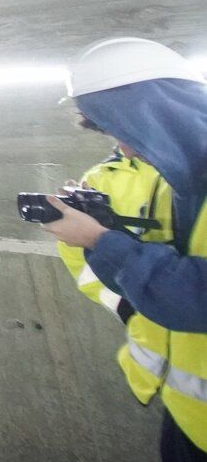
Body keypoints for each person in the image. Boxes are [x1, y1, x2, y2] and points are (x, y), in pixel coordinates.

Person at [37, 37, 207, 462]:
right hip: (188, 416)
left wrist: (100, 241)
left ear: (157, 112)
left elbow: (198, 296)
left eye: (124, 130)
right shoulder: (185, 180)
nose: (125, 148)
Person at [54, 136, 171, 415]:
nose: (124, 147)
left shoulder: (188, 172)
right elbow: (79, 261)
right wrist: (125, 306)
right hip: (166, 380)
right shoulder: (100, 179)